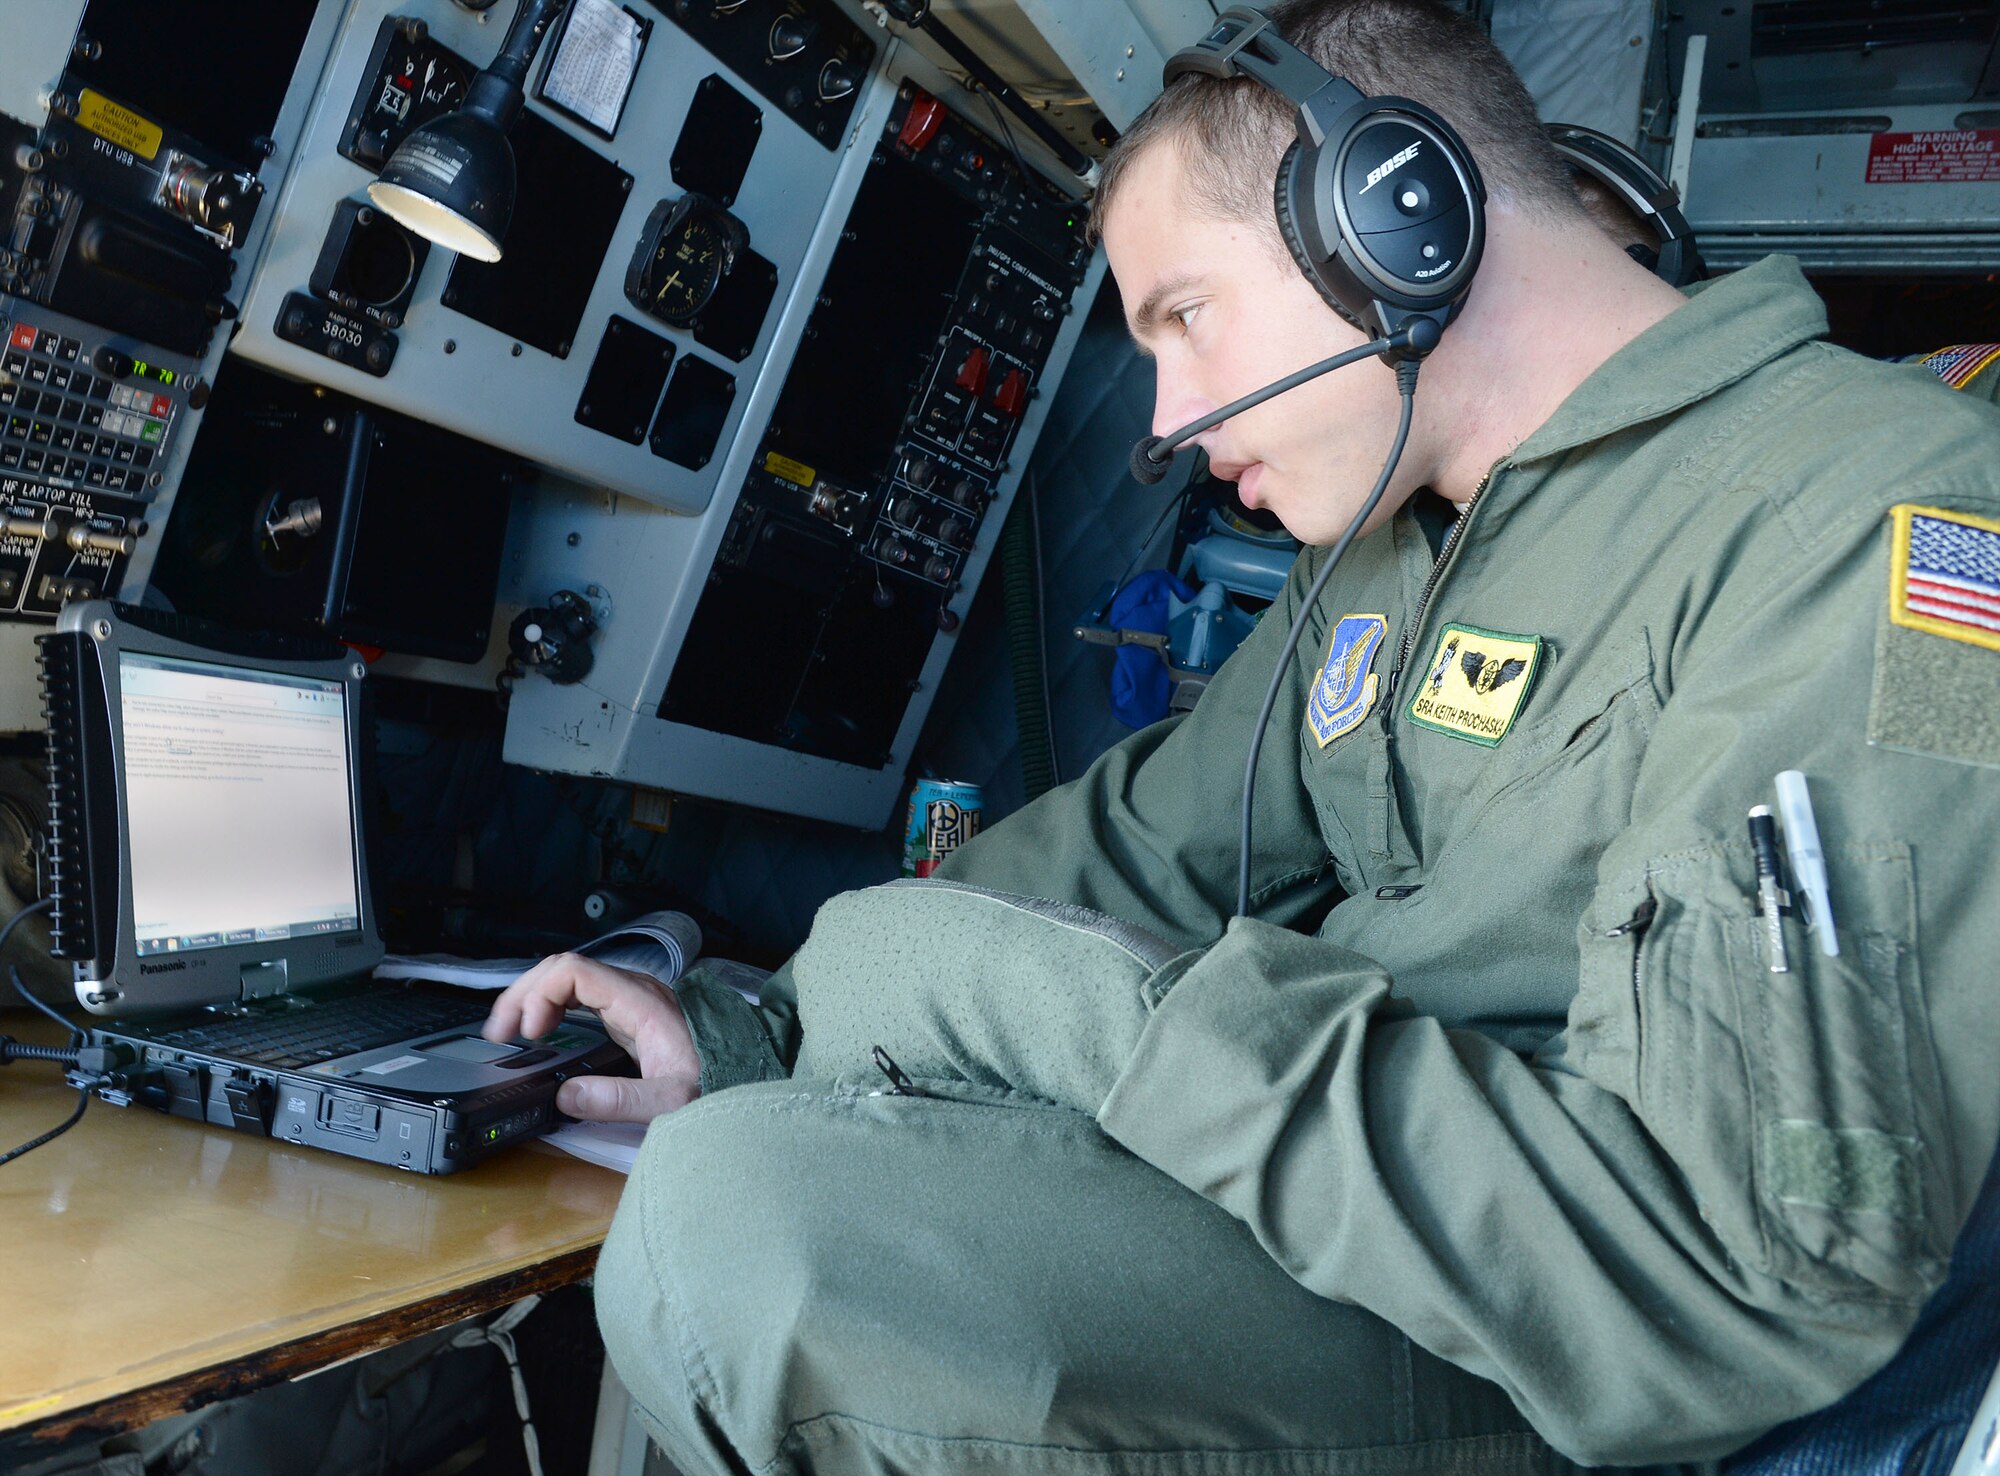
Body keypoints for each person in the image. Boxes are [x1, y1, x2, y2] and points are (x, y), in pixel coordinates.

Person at [484, 1, 2000, 1470]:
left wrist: (1091, 1013)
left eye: (1186, 318)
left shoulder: (1885, 521)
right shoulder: (1393, 547)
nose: (1171, 421)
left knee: (747, 1242)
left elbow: (1749, 1273)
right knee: (753, 1167)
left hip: (1558, 1351)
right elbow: (1131, 851)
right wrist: (759, 1031)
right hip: (1345, 1233)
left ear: (1399, 217)